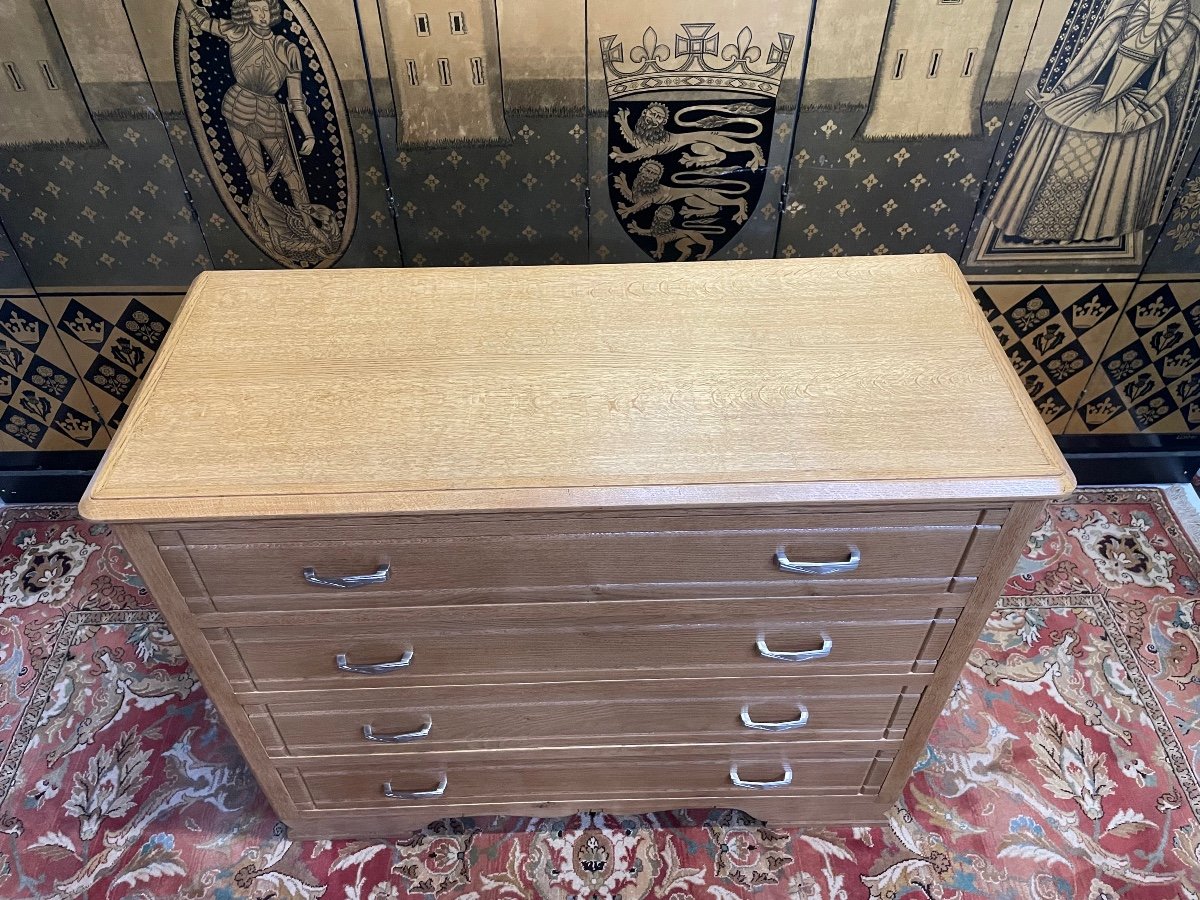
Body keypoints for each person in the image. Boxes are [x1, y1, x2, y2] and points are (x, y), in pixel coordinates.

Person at [985, 0, 1200, 243]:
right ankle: (1045, 226)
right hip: (1097, 96)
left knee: (1102, 150)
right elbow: (1090, 62)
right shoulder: (1124, 20)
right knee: (1062, 131)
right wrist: (1057, 93)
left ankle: (1082, 230)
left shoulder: (1183, 29)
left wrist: (1142, 108)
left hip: (1139, 102)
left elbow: (1172, 73)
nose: (1151, 2)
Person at [180, 0, 337, 264]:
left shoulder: (288, 48)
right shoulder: (236, 32)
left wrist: (308, 134)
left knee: (290, 171)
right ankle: (277, 228)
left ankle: (309, 225)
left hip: (270, 112)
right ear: (246, 11)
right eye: (255, 9)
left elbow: (296, 100)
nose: (262, 15)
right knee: (255, 172)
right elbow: (200, 20)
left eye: (265, 9)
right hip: (237, 106)